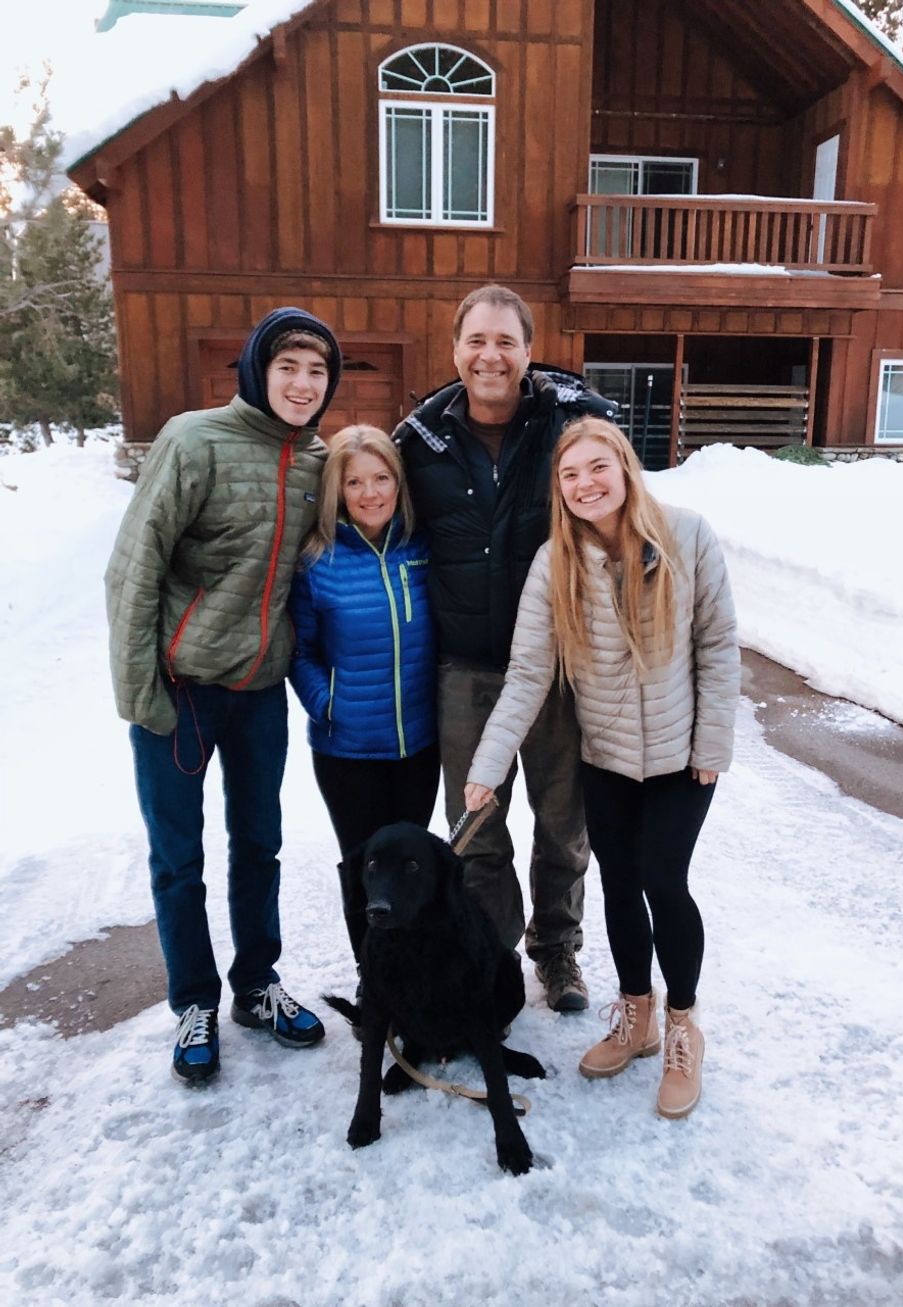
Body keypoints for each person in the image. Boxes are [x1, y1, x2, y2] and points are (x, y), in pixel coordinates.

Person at [464, 417, 739, 1119]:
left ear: (624, 467)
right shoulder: (555, 564)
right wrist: (487, 766)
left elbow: (718, 645)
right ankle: (636, 1015)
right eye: (570, 474)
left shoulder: (687, 536)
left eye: (597, 467)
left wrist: (711, 745)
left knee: (663, 880)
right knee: (618, 883)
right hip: (608, 759)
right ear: (559, 488)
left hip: (681, 758)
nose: (585, 484)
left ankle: (682, 1026)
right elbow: (528, 674)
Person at [105, 306, 343, 1086]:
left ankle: (256, 985)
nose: (303, 384)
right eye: (288, 367)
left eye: (317, 371)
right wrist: (141, 692)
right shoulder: (192, 440)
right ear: (256, 369)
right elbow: (133, 569)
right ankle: (194, 1002)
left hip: (260, 694)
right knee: (179, 857)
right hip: (181, 690)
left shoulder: (318, 462)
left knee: (259, 843)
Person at [395, 284, 617, 1013]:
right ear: (455, 349)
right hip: (465, 672)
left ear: (528, 350)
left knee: (563, 825)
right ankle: (491, 956)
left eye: (505, 341)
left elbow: (620, 518)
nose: (490, 356)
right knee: (478, 828)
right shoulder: (419, 444)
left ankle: (556, 950)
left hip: (558, 672)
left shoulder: (570, 429)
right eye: (476, 341)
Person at [288, 424, 439, 969]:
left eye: (381, 479)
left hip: (418, 744)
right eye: (355, 482)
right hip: (347, 751)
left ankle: (416, 975)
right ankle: (373, 978)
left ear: (399, 482)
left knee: (413, 867)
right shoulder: (317, 561)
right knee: (363, 869)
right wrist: (327, 703)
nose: (370, 493)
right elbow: (298, 649)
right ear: (338, 490)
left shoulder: (421, 548)